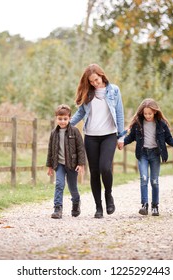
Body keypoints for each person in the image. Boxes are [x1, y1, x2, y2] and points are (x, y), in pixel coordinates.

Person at [70, 64, 125, 218]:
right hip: (91, 137)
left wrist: (121, 136)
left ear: (101, 75)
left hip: (109, 135)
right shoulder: (88, 93)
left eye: (96, 80)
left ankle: (108, 195)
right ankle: (98, 207)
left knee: (105, 168)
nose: (95, 83)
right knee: (94, 172)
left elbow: (120, 114)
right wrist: (67, 125)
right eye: (91, 82)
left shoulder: (114, 90)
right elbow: (80, 113)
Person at [118, 98, 173, 216]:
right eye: (145, 114)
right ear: (142, 113)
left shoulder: (161, 124)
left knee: (154, 181)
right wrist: (123, 143)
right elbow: (131, 137)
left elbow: (168, 139)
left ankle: (155, 206)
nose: (147, 116)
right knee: (144, 179)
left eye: (149, 113)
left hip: (155, 154)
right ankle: (144, 205)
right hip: (143, 154)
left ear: (155, 112)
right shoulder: (138, 124)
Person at [46, 104, 85, 219]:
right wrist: (49, 166)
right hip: (59, 164)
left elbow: (80, 149)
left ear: (69, 118)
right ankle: (57, 208)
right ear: (56, 118)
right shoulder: (54, 133)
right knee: (59, 184)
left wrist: (81, 164)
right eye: (60, 119)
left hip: (72, 164)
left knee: (72, 187)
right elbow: (50, 150)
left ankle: (76, 203)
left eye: (65, 119)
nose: (62, 121)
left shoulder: (75, 131)